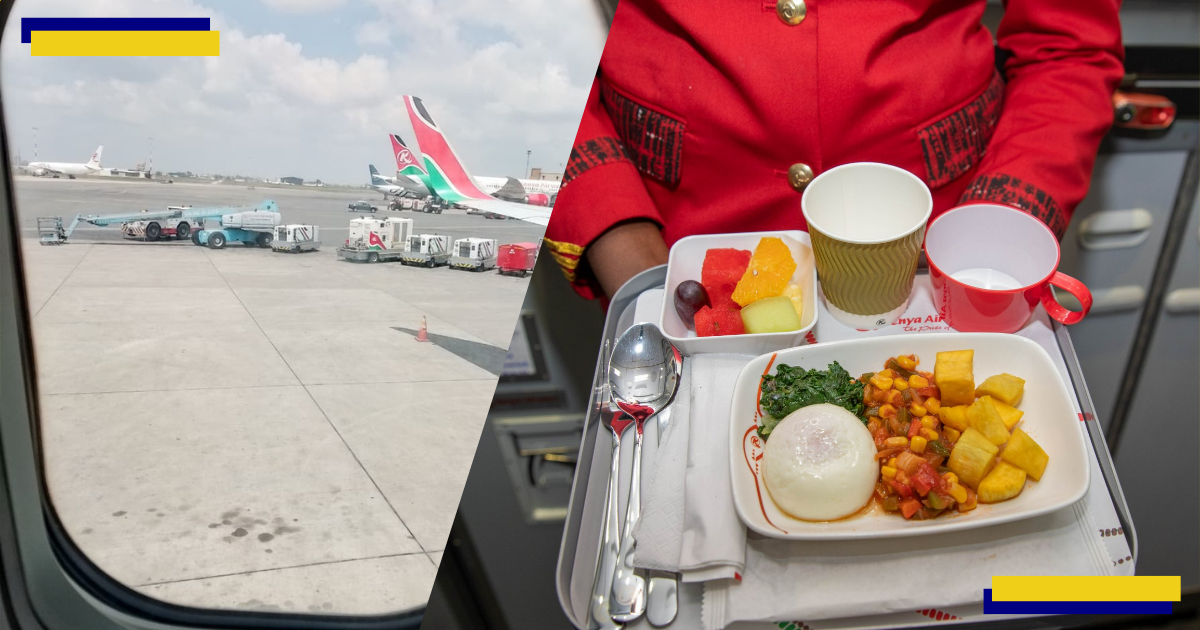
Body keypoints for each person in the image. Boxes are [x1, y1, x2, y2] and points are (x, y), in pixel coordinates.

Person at [544, 0, 1124, 300]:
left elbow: (1067, 50)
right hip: (675, 245)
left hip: (941, 254)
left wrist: (996, 234)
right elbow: (503, 38)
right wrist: (614, 233)